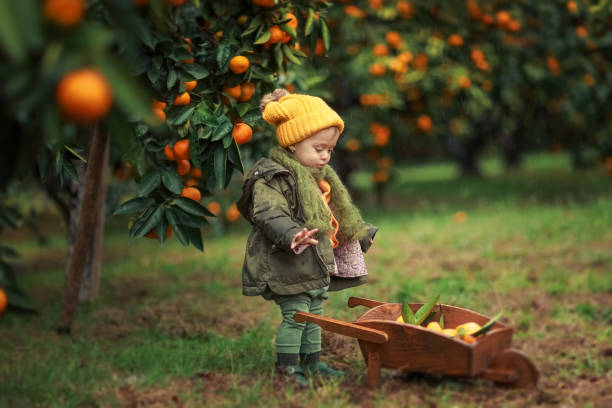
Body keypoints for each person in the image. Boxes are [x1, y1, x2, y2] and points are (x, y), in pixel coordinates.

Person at [237, 89, 378, 386]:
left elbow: (336, 215)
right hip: (285, 261)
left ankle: (312, 364)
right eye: (318, 148)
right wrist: (291, 234)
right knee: (296, 315)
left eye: (330, 149)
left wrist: (361, 234)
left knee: (313, 314)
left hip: (312, 262)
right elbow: (268, 213)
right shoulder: (274, 177)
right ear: (292, 143)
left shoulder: (320, 179)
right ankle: (287, 368)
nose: (325, 156)